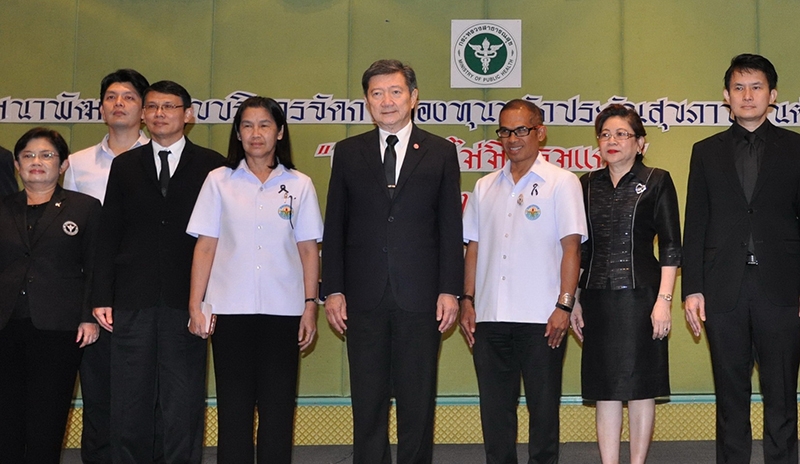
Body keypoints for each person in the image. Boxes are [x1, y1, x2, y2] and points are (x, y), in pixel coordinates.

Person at [322, 59, 463, 464]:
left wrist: (449, 290)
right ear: (367, 100)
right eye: (377, 93)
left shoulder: (440, 151)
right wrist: (332, 289)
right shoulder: (348, 152)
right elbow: (336, 226)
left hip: (421, 298)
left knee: (418, 402)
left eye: (396, 91)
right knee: (368, 403)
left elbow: (450, 228)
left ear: (414, 97)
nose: (387, 101)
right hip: (362, 297)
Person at [91, 80, 225, 463]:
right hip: (132, 298)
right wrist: (102, 295)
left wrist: (212, 297)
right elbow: (109, 232)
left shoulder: (212, 165)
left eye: (169, 107)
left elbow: (222, 238)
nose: (160, 114)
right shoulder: (125, 165)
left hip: (190, 301)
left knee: (182, 401)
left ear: (188, 115)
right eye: (152, 107)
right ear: (144, 115)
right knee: (129, 400)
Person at [186, 96, 323, 463]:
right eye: (247, 125)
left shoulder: (299, 184)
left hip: (284, 310)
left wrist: (310, 308)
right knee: (234, 408)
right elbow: (205, 246)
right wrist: (195, 306)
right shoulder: (219, 181)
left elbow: (309, 251)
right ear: (238, 132)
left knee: (278, 408)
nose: (255, 133)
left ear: (279, 132)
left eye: (264, 125)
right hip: (230, 310)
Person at [683, 53, 800, 464]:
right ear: (725, 96)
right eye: (738, 88)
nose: (747, 95)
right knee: (730, 397)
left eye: (756, 87)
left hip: (782, 288)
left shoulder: (796, 147)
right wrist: (693, 288)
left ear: (773, 95)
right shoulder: (705, 151)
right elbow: (695, 222)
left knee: (782, 395)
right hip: (723, 288)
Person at [460, 99, 586, 464]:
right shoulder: (485, 186)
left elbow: (571, 249)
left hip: (542, 320)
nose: (512, 138)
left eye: (521, 130)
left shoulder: (562, 183)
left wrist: (564, 304)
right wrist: (468, 300)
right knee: (495, 415)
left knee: (543, 414)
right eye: (504, 131)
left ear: (540, 132)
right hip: (490, 318)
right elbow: (473, 248)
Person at [569, 104, 681, 464]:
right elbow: (581, 250)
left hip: (642, 297)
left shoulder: (657, 180)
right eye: (605, 134)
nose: (612, 141)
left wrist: (664, 300)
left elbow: (671, 245)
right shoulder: (585, 185)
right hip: (597, 298)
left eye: (621, 134)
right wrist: (576, 300)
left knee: (641, 387)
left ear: (641, 143)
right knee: (605, 388)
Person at [63, 68, 150, 464]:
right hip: (92, 291)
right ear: (100, 107)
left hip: (145, 293)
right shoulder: (77, 164)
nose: (119, 104)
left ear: (145, 109)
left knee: (147, 392)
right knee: (97, 389)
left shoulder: (163, 160)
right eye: (112, 97)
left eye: (129, 97)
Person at [0, 127, 101, 463]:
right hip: (6, 324)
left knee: (47, 418)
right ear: (16, 165)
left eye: (46, 155)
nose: (36, 162)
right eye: (28, 156)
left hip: (58, 327)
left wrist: (88, 316)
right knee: (7, 419)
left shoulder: (84, 208)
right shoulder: (3, 208)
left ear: (63, 165)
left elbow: (95, 266)